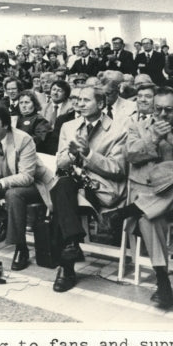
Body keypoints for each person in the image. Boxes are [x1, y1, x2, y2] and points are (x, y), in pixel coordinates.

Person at [104, 88, 173, 310]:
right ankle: (163, 281)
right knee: (148, 218)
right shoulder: (137, 128)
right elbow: (130, 155)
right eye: (158, 109)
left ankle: (128, 211)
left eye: (168, 110)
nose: (162, 115)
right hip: (148, 198)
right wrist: (153, 137)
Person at [50, 85, 128, 292]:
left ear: (101, 104)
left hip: (101, 188)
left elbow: (118, 168)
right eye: (76, 99)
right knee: (63, 185)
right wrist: (73, 155)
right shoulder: (69, 126)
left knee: (60, 194)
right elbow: (60, 164)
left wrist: (89, 154)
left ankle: (67, 263)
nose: (78, 103)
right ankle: (71, 248)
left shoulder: (119, 129)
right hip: (74, 184)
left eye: (85, 100)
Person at [0, 104, 54, 271]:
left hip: (35, 184)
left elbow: (26, 177)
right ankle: (4, 220)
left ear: (5, 124)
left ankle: (20, 248)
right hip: (6, 182)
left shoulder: (23, 139)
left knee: (13, 194)